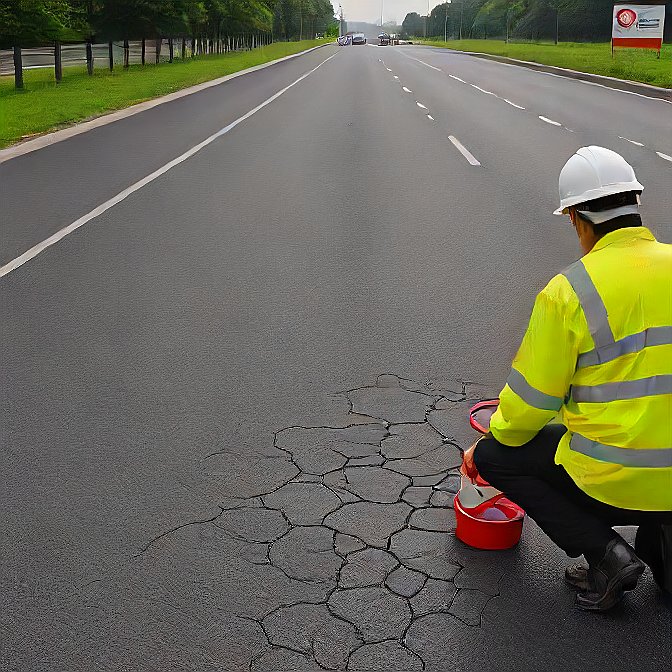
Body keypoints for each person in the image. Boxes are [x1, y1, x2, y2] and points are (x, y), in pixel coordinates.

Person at [465, 146, 672, 612]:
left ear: (577, 218)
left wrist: (483, 444)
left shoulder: (569, 293)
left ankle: (605, 553)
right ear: (636, 202)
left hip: (609, 487)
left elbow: (526, 412)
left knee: (497, 455)